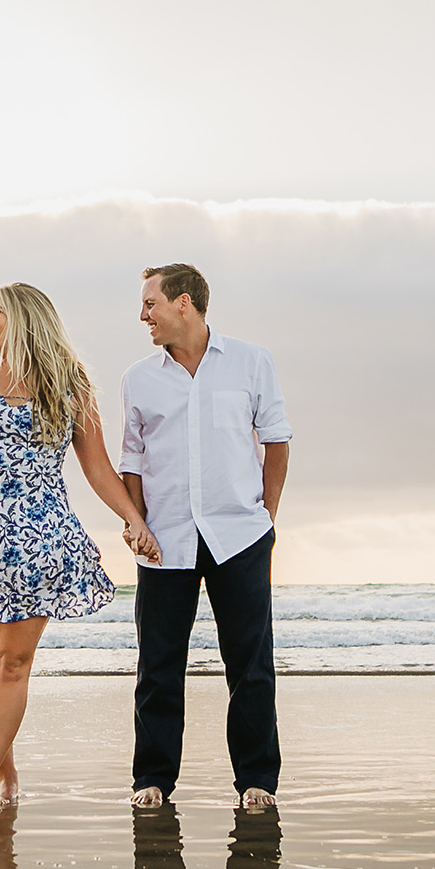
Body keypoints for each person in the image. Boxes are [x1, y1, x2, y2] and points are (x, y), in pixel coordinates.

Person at [0, 283, 162, 805]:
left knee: (12, 663)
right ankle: (4, 771)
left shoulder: (69, 384)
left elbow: (98, 467)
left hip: (37, 541)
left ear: (21, 317)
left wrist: (132, 519)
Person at [117, 263, 291, 809]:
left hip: (239, 534)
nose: (143, 314)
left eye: (151, 303)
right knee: (158, 669)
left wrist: (266, 520)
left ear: (183, 302)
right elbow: (132, 461)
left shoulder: (250, 361)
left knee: (251, 663)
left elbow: (278, 441)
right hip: (164, 542)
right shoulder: (137, 379)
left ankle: (257, 781)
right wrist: (137, 523)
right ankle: (153, 781)